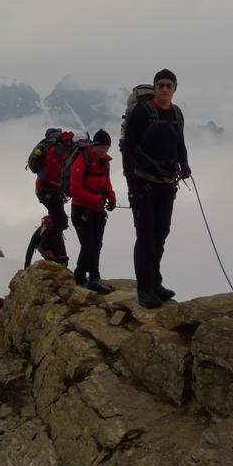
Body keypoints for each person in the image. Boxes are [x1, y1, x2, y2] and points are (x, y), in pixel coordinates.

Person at [121, 68, 190, 308]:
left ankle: (154, 283)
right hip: (144, 184)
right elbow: (129, 150)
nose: (164, 89)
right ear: (155, 87)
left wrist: (185, 165)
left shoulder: (177, 113)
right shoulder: (142, 112)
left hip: (166, 185)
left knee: (161, 234)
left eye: (169, 85)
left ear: (175, 89)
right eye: (160, 85)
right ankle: (144, 289)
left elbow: (180, 143)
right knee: (146, 237)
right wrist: (132, 187)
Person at [69, 129, 116, 294]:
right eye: (102, 147)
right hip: (81, 210)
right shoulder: (82, 160)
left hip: (97, 210)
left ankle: (93, 277)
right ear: (94, 145)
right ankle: (82, 277)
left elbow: (106, 182)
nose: (104, 151)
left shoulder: (104, 162)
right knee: (88, 245)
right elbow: (74, 189)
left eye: (107, 148)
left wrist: (112, 197)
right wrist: (96, 199)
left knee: (96, 245)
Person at [33, 130, 74, 266]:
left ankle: (58, 255)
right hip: (48, 189)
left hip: (50, 190)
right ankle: (45, 246)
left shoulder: (62, 148)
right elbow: (52, 173)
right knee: (61, 221)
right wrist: (66, 185)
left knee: (59, 220)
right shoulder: (59, 150)